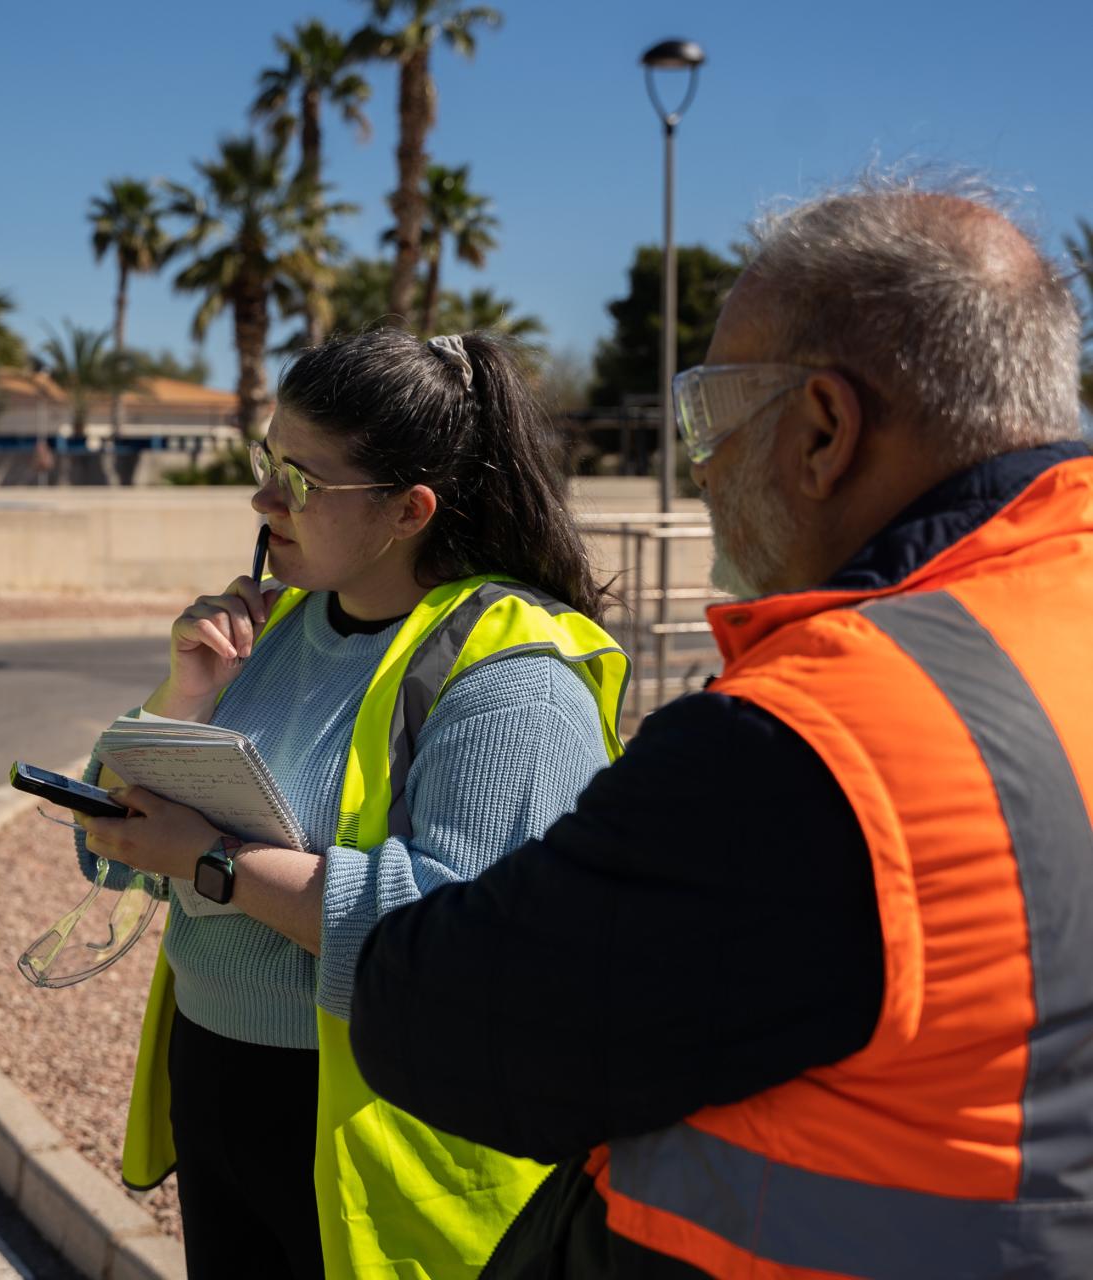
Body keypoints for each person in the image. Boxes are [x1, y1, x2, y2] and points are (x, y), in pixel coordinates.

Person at [347, 174, 1093, 1279]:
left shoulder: (817, 732)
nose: (697, 466)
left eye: (706, 417)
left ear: (822, 430)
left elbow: (448, 1024)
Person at [71, 327, 631, 1279]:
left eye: (301, 479)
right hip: (221, 1093)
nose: (262, 499)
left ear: (410, 510)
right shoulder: (274, 624)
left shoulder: (516, 677)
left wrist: (213, 860)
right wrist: (188, 693)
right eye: (266, 460)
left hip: (377, 1123)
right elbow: (104, 839)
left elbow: (461, 943)